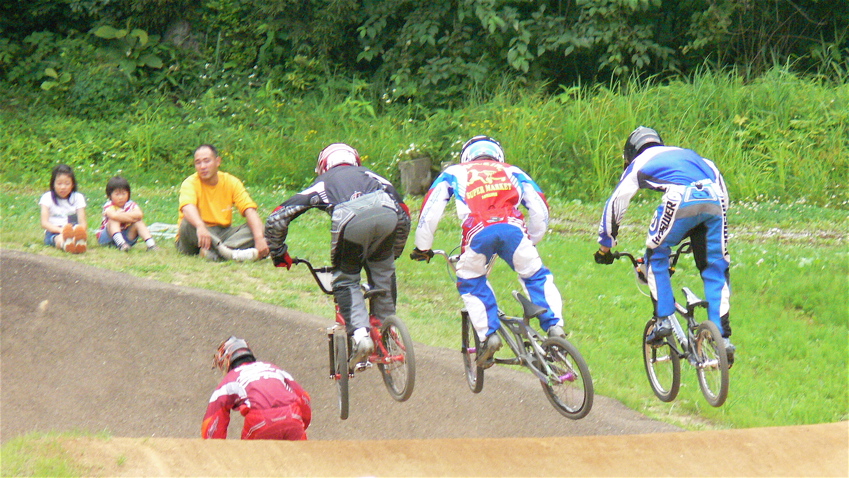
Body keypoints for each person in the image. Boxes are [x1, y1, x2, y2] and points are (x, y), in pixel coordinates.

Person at [409, 135, 566, 369]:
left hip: (478, 230)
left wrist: (423, 247)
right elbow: (540, 207)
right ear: (497, 154)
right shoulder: (513, 170)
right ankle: (555, 326)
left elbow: (430, 211)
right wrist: (533, 237)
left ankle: (489, 335)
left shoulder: (454, 172)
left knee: (471, 280)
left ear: (467, 156)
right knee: (535, 275)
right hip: (514, 228)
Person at [593, 126, 734, 365]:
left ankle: (663, 320)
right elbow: (723, 196)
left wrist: (605, 246)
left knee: (656, 256)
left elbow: (617, 202)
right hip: (714, 202)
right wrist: (697, 235)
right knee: (715, 268)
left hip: (681, 198)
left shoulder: (639, 163)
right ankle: (723, 339)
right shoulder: (698, 157)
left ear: (631, 153)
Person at [265, 143, 411, 365]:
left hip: (350, 219)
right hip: (387, 213)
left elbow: (277, 218)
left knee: (346, 279)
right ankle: (385, 330)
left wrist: (277, 253)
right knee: (384, 272)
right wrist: (394, 251)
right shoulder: (374, 176)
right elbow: (404, 213)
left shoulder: (323, 182)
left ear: (323, 166)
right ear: (355, 161)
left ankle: (361, 336)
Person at [202, 336, 311, 440]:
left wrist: (213, 446)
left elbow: (213, 419)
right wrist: (301, 423)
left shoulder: (230, 378)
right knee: (302, 457)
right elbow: (304, 397)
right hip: (293, 415)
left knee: (251, 457)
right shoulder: (274, 368)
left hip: (261, 420)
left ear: (227, 360)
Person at [176, 144, 269, 262]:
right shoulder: (190, 183)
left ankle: (216, 253)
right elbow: (187, 207)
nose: (202, 166)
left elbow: (249, 210)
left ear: (217, 161)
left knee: (260, 228)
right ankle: (229, 253)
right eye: (198, 163)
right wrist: (200, 226)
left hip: (222, 233)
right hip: (195, 235)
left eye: (207, 161)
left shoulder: (231, 181)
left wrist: (259, 238)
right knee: (187, 223)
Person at [96, 176, 158, 252]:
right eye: (117, 194)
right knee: (113, 221)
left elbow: (139, 214)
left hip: (127, 236)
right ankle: (121, 244)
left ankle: (151, 245)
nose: (121, 197)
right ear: (110, 195)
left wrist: (122, 216)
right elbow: (114, 216)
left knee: (138, 222)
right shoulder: (109, 205)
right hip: (108, 238)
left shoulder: (131, 204)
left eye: (124, 194)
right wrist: (131, 218)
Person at [39, 164, 88, 254]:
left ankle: (78, 243)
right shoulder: (47, 197)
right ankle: (66, 245)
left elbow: (83, 222)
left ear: (72, 184)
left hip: (74, 230)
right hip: (54, 231)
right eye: (59, 184)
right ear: (53, 184)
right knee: (60, 238)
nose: (63, 187)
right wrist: (62, 231)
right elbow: (44, 223)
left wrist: (79, 231)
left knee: (74, 236)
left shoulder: (78, 197)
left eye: (67, 183)